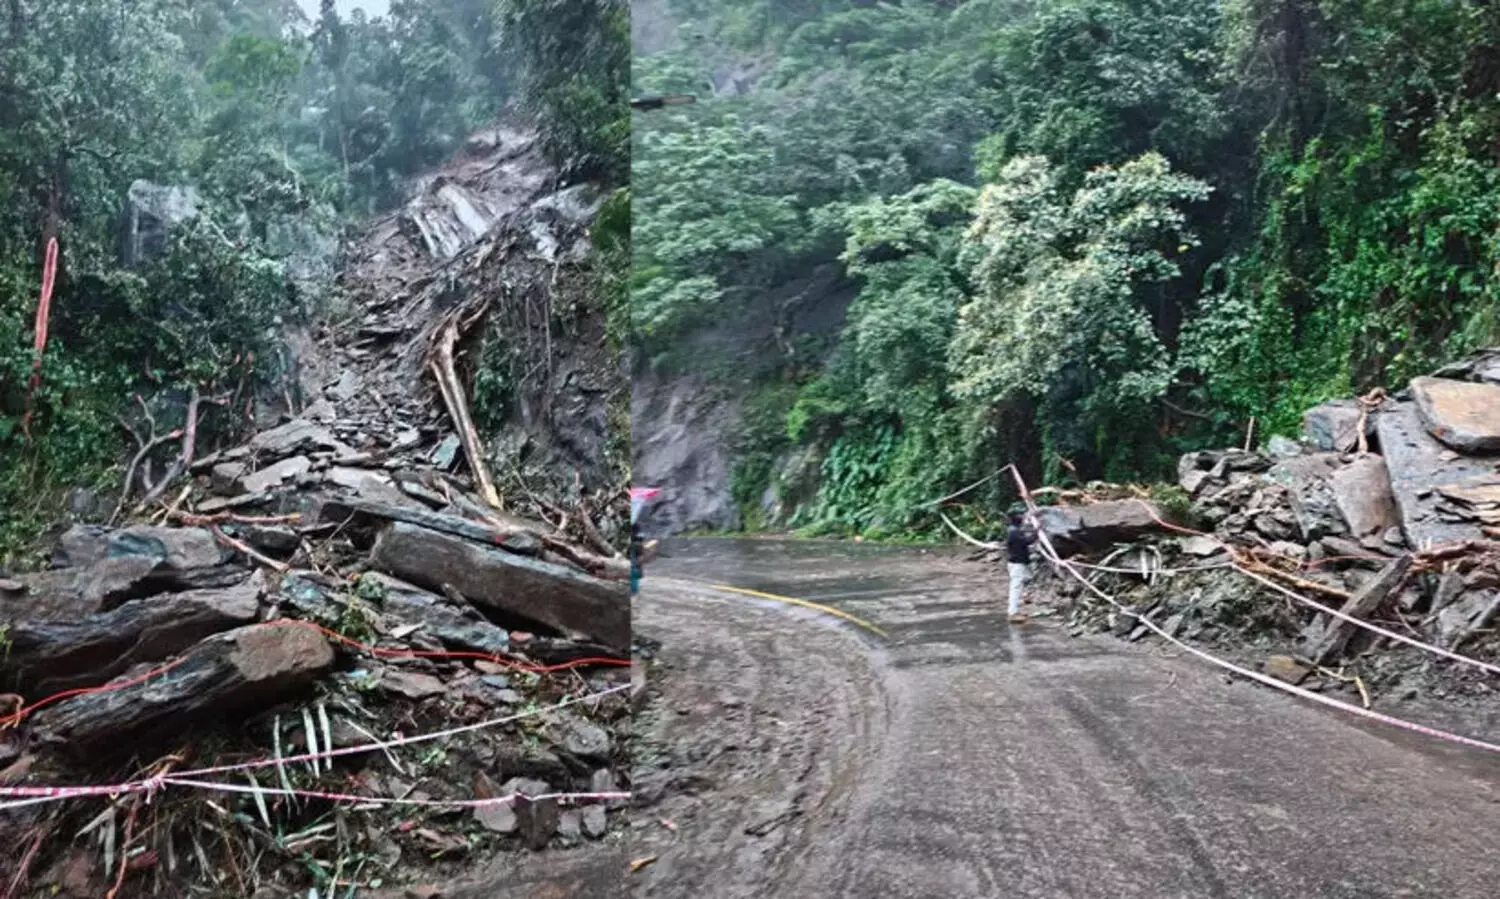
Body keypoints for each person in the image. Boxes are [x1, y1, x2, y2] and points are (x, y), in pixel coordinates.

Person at [1005, 510, 1038, 623]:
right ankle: (1013, 613)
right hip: (1017, 563)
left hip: (1019, 562)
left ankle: (1023, 599)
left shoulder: (1015, 530)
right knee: (1016, 587)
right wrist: (1037, 531)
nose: (1022, 517)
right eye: (1020, 515)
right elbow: (1027, 541)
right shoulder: (1013, 531)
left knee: (1027, 579)